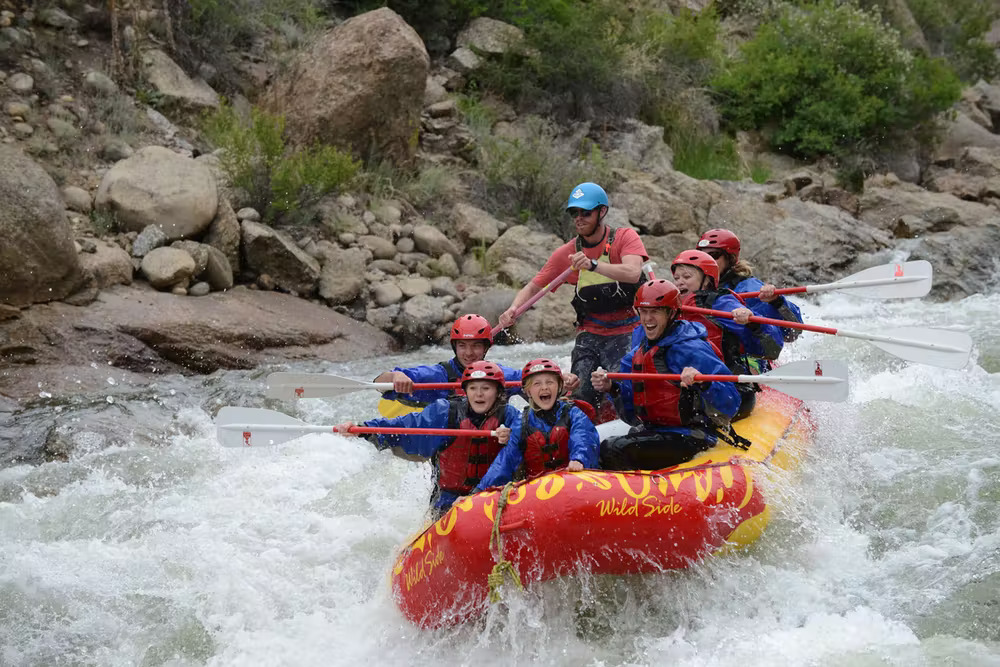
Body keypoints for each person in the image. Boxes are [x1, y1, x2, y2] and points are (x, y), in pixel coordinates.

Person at [497, 182, 648, 416]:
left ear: (602, 212)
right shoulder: (567, 253)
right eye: (574, 213)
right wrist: (513, 309)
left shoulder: (624, 238)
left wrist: (593, 265)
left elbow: (633, 272)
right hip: (590, 334)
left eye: (585, 212)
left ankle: (631, 422)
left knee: (623, 386)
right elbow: (533, 286)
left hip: (628, 330)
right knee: (580, 391)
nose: (579, 218)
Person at [334, 360, 522, 517]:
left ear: (498, 393)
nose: (479, 394)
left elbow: (525, 447)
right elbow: (403, 427)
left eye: (486, 388)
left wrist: (511, 437)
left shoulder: (511, 417)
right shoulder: (445, 412)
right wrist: (363, 429)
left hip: (497, 498)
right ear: (465, 391)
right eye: (473, 388)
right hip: (449, 503)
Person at [591, 279, 741, 471]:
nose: (648, 319)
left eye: (655, 311)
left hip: (692, 435)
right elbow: (631, 417)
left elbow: (731, 404)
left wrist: (704, 383)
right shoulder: (636, 356)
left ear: (671, 313)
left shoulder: (692, 349)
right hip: (654, 432)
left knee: (613, 449)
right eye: (643, 312)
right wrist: (612, 388)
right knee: (599, 446)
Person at [374, 314, 577, 418]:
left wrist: (563, 381)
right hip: (453, 455)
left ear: (486, 348)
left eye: (475, 346)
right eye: (462, 346)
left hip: (495, 447)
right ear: (454, 347)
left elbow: (535, 381)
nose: (469, 353)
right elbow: (379, 383)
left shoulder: (502, 375)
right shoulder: (439, 375)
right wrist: (395, 377)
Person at [671, 249, 783, 420]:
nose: (679, 283)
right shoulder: (670, 307)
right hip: (687, 386)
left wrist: (751, 321)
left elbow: (772, 349)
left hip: (729, 391)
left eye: (687, 277)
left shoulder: (720, 302)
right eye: (677, 278)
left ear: (707, 279)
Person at [473, 358, 600, 491]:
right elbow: (505, 462)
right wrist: (478, 492)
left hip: (574, 482)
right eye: (537, 384)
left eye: (550, 382)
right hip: (538, 491)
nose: (544, 387)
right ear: (528, 392)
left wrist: (579, 459)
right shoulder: (521, 423)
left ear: (559, 387)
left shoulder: (573, 413)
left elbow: (584, 437)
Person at [697, 228, 803, 343]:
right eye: (702, 255)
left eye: (714, 255)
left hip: (744, 355)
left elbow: (791, 333)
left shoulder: (748, 288)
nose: (707, 260)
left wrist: (776, 301)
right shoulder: (693, 284)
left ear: (730, 259)